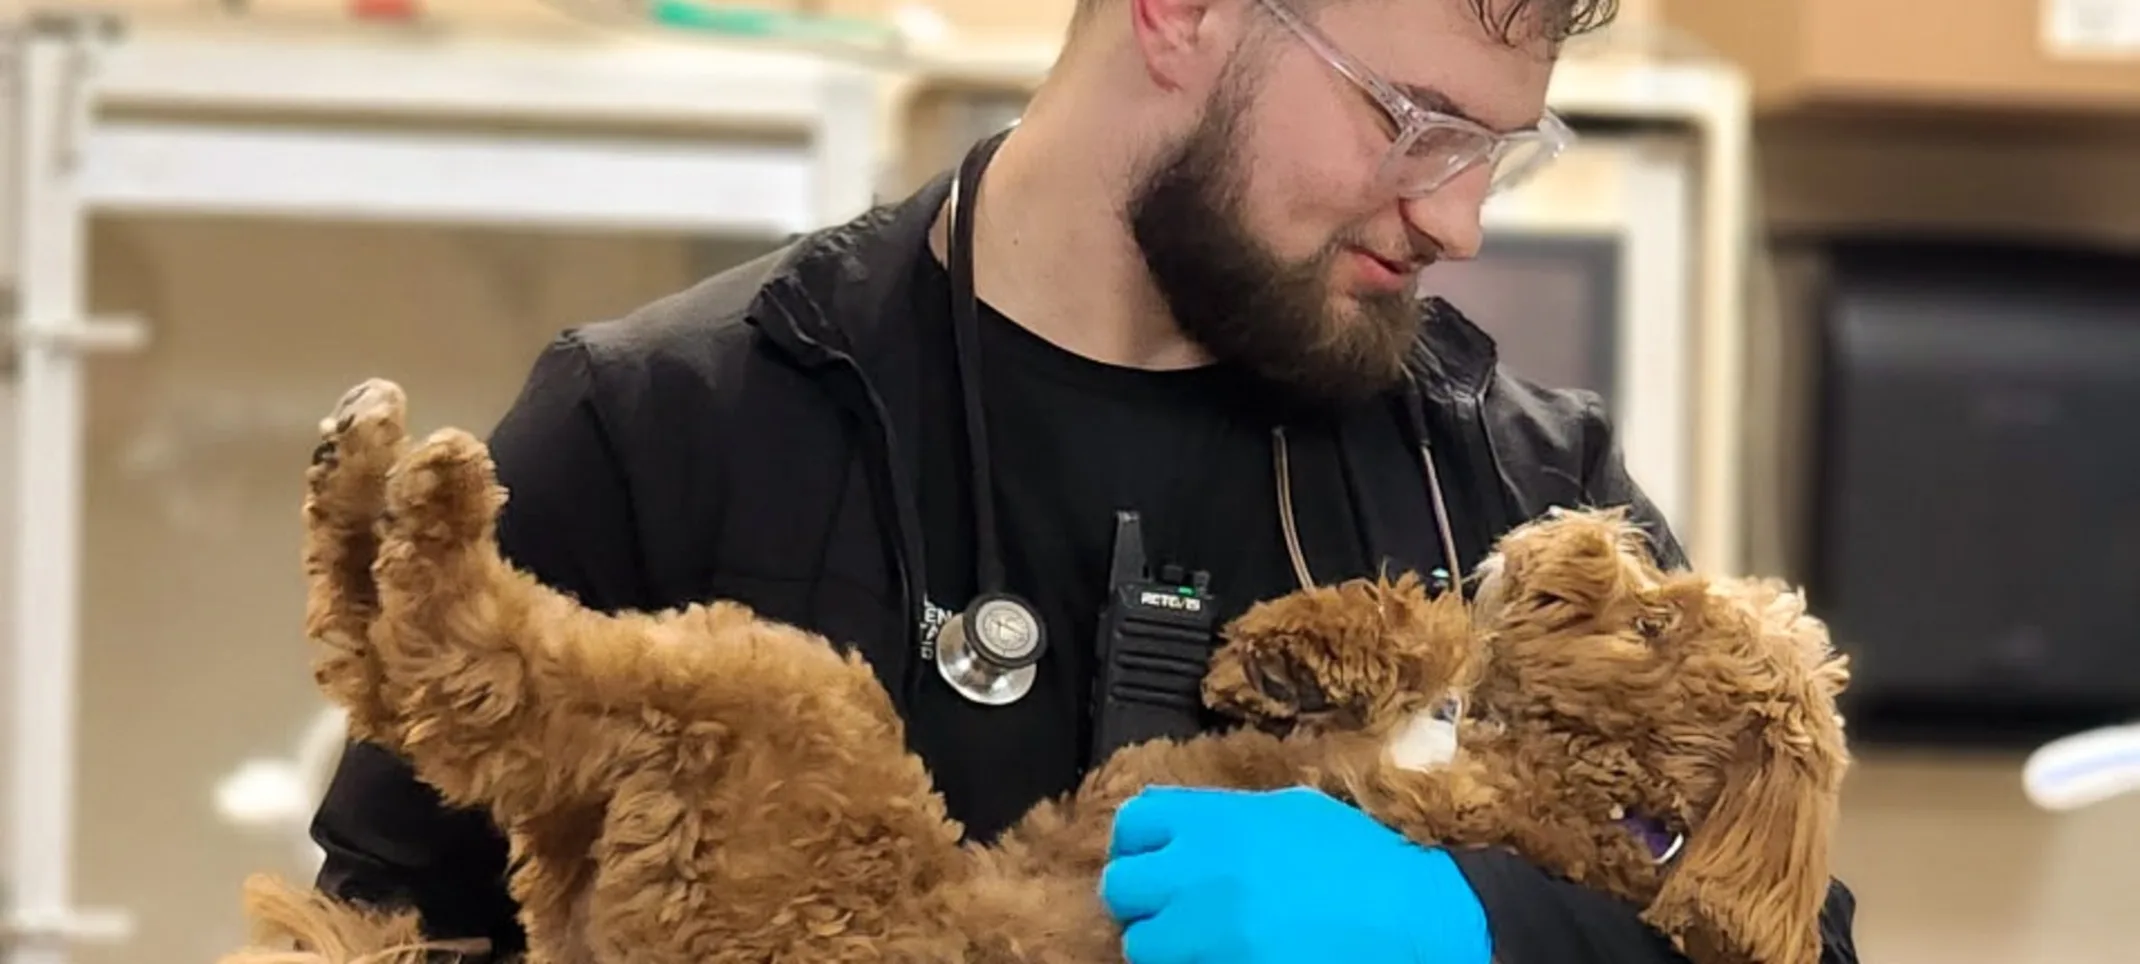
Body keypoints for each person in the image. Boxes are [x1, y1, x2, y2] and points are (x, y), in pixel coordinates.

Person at [309, 0, 1864, 962]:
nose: (1457, 221)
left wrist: (1488, 938)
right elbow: (385, 927)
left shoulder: (1510, 482)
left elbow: (1797, 937)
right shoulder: (676, 423)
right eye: (1416, 124)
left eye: (1500, 152)